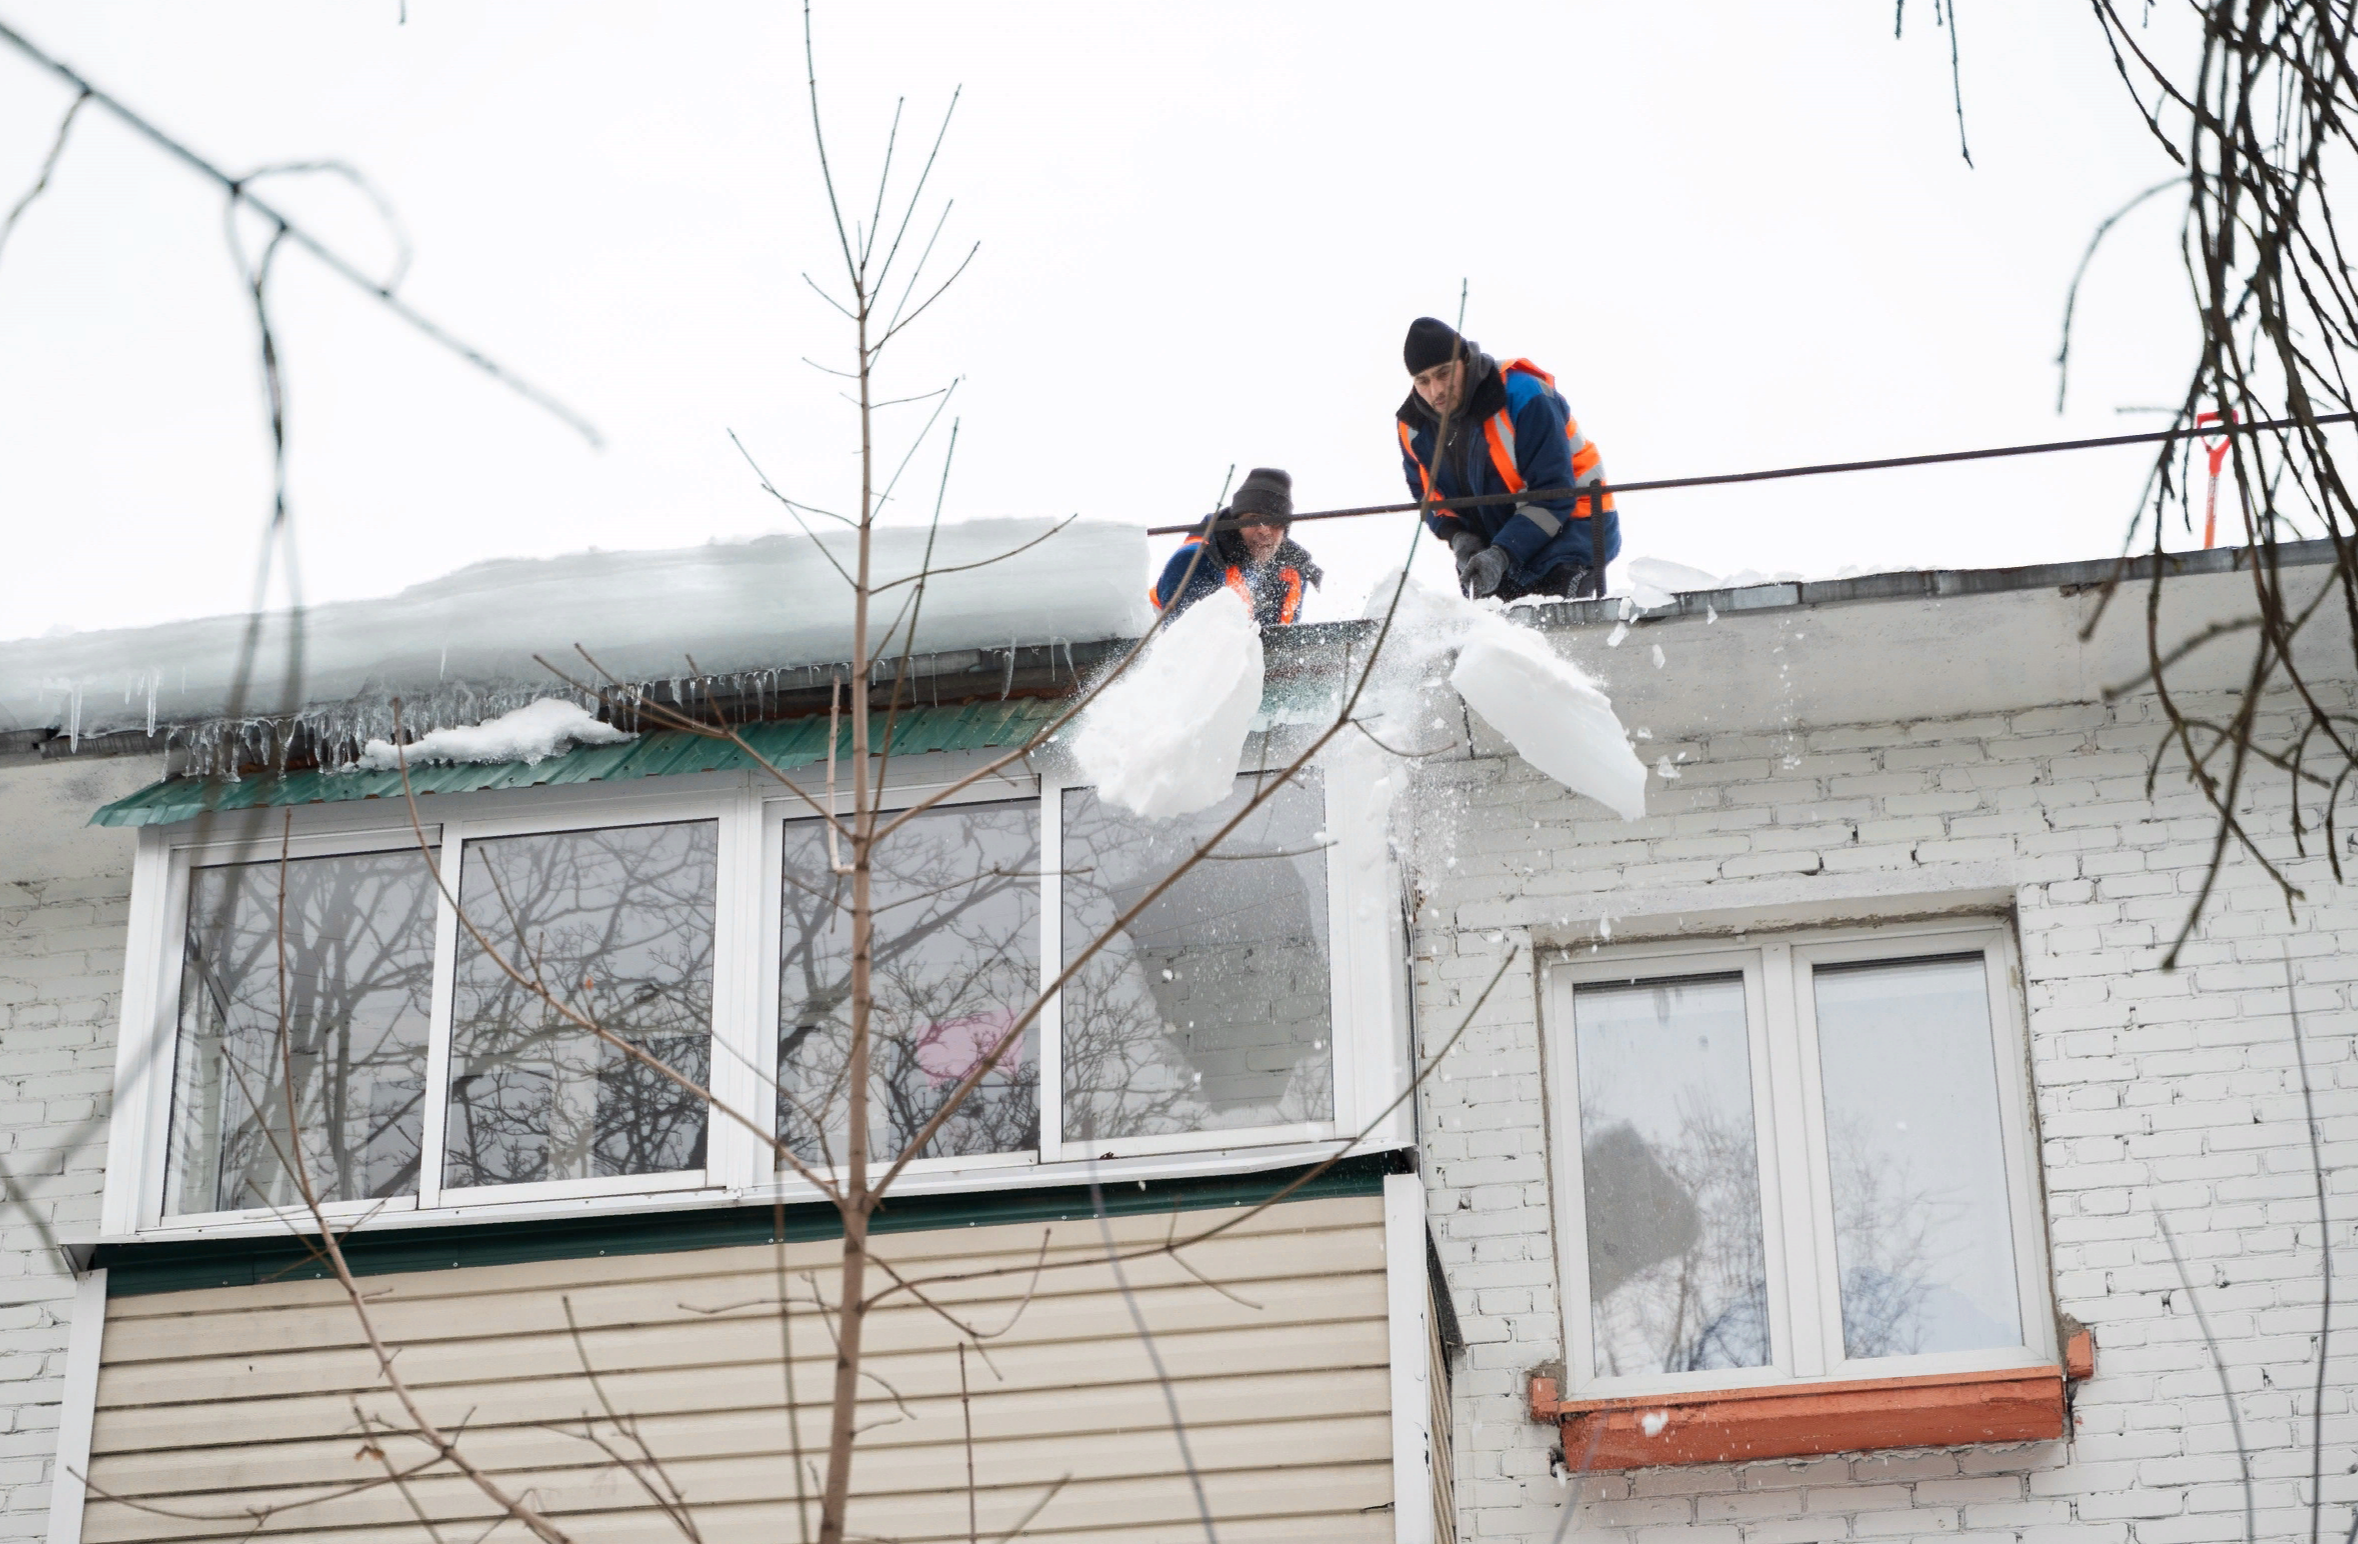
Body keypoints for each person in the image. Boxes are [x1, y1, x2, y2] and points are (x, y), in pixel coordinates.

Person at [1395, 316, 1619, 601]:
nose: (1436, 390)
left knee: (1553, 627)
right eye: (1423, 381)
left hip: (1573, 530)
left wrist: (1502, 555)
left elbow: (1555, 494)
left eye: (1444, 373)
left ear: (1466, 361)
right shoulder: (1412, 427)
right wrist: (1459, 537)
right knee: (1490, 636)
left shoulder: (1525, 395)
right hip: (1494, 543)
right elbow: (1429, 496)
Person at [1151, 466, 1322, 626]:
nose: (1264, 531)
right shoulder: (1194, 559)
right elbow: (1182, 639)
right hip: (1152, 641)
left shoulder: (1294, 568)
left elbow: (1284, 642)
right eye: (1253, 519)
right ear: (1236, 522)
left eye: (1275, 523)